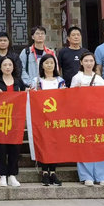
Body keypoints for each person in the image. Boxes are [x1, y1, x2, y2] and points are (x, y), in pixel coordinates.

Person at [70, 51, 104, 186]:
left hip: (98, 116)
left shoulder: (98, 78)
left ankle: (102, 176)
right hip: (82, 116)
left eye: (91, 61)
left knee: (100, 143)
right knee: (84, 144)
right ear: (81, 62)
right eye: (86, 61)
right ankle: (86, 175)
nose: (88, 63)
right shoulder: (77, 78)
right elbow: (70, 98)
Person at [0, 56, 26, 187]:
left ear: (13, 67)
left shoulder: (18, 81)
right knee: (0, 148)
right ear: (0, 68)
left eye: (10, 65)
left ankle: (12, 174)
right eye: (5, 65)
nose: (7, 67)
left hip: (16, 119)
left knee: (14, 147)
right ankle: (2, 175)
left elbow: (24, 96)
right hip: (0, 119)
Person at [34, 54, 65, 186]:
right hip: (41, 118)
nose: (49, 65)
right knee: (43, 144)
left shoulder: (60, 81)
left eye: (51, 63)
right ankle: (44, 171)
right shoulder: (37, 81)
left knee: (54, 144)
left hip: (56, 118)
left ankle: (53, 171)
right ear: (42, 65)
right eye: (46, 63)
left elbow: (64, 98)